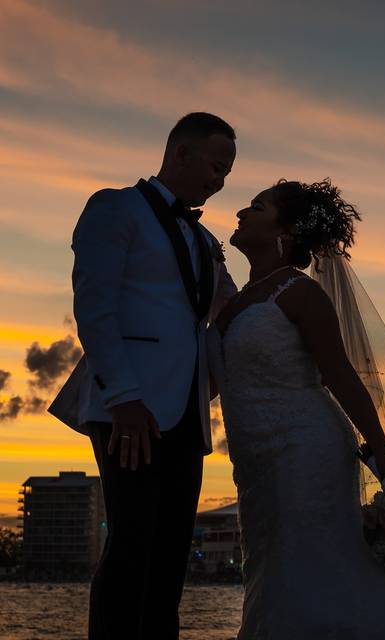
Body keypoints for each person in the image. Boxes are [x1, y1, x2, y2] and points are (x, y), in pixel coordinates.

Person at [209, 178, 385, 638]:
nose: (242, 213)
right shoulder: (232, 304)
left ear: (285, 230)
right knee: (271, 565)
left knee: (313, 564)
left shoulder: (300, 293)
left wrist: (381, 448)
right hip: (254, 464)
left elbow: (341, 376)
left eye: (257, 207)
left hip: (307, 448)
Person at [48, 113, 238, 639]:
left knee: (171, 550)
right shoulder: (114, 207)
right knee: (131, 543)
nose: (220, 182)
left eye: (227, 173)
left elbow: (228, 312)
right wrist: (125, 398)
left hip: (188, 410)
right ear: (181, 153)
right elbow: (96, 307)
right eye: (216, 166)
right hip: (130, 408)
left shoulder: (204, 240)